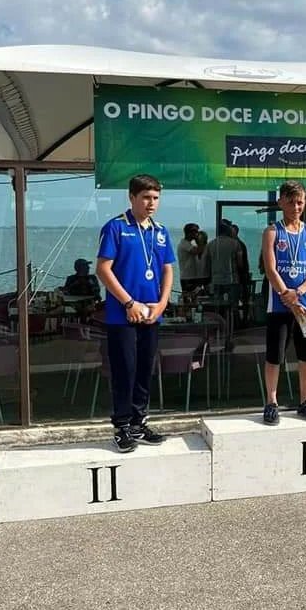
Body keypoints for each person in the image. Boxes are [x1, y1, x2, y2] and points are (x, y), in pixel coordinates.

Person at [95, 174, 175, 453]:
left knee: (144, 369)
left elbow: (167, 269)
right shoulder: (116, 227)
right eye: (146, 198)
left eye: (155, 198)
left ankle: (139, 422)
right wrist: (129, 304)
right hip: (123, 315)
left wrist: (162, 303)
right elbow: (103, 269)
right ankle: (122, 426)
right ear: (132, 197)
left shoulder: (161, 231)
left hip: (152, 313)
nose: (151, 203)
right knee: (124, 370)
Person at [261, 180, 306, 425]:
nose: (296, 207)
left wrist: (299, 292)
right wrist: (286, 294)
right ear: (280, 203)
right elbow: (270, 269)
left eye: (300, 202)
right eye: (290, 202)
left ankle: (305, 400)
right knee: (275, 354)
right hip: (279, 304)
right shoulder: (272, 232)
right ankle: (271, 402)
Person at [231, 223, 252, 325]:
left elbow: (241, 263)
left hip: (240, 276)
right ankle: (241, 319)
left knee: (242, 299)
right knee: (242, 299)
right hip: (241, 275)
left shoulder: (238, 245)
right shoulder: (239, 244)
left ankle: (242, 320)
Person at [177, 222, 206, 292]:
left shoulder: (190, 244)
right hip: (188, 277)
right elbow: (196, 251)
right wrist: (201, 241)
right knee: (189, 297)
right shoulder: (184, 244)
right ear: (190, 233)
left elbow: (201, 254)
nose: (197, 234)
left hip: (193, 276)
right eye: (196, 232)